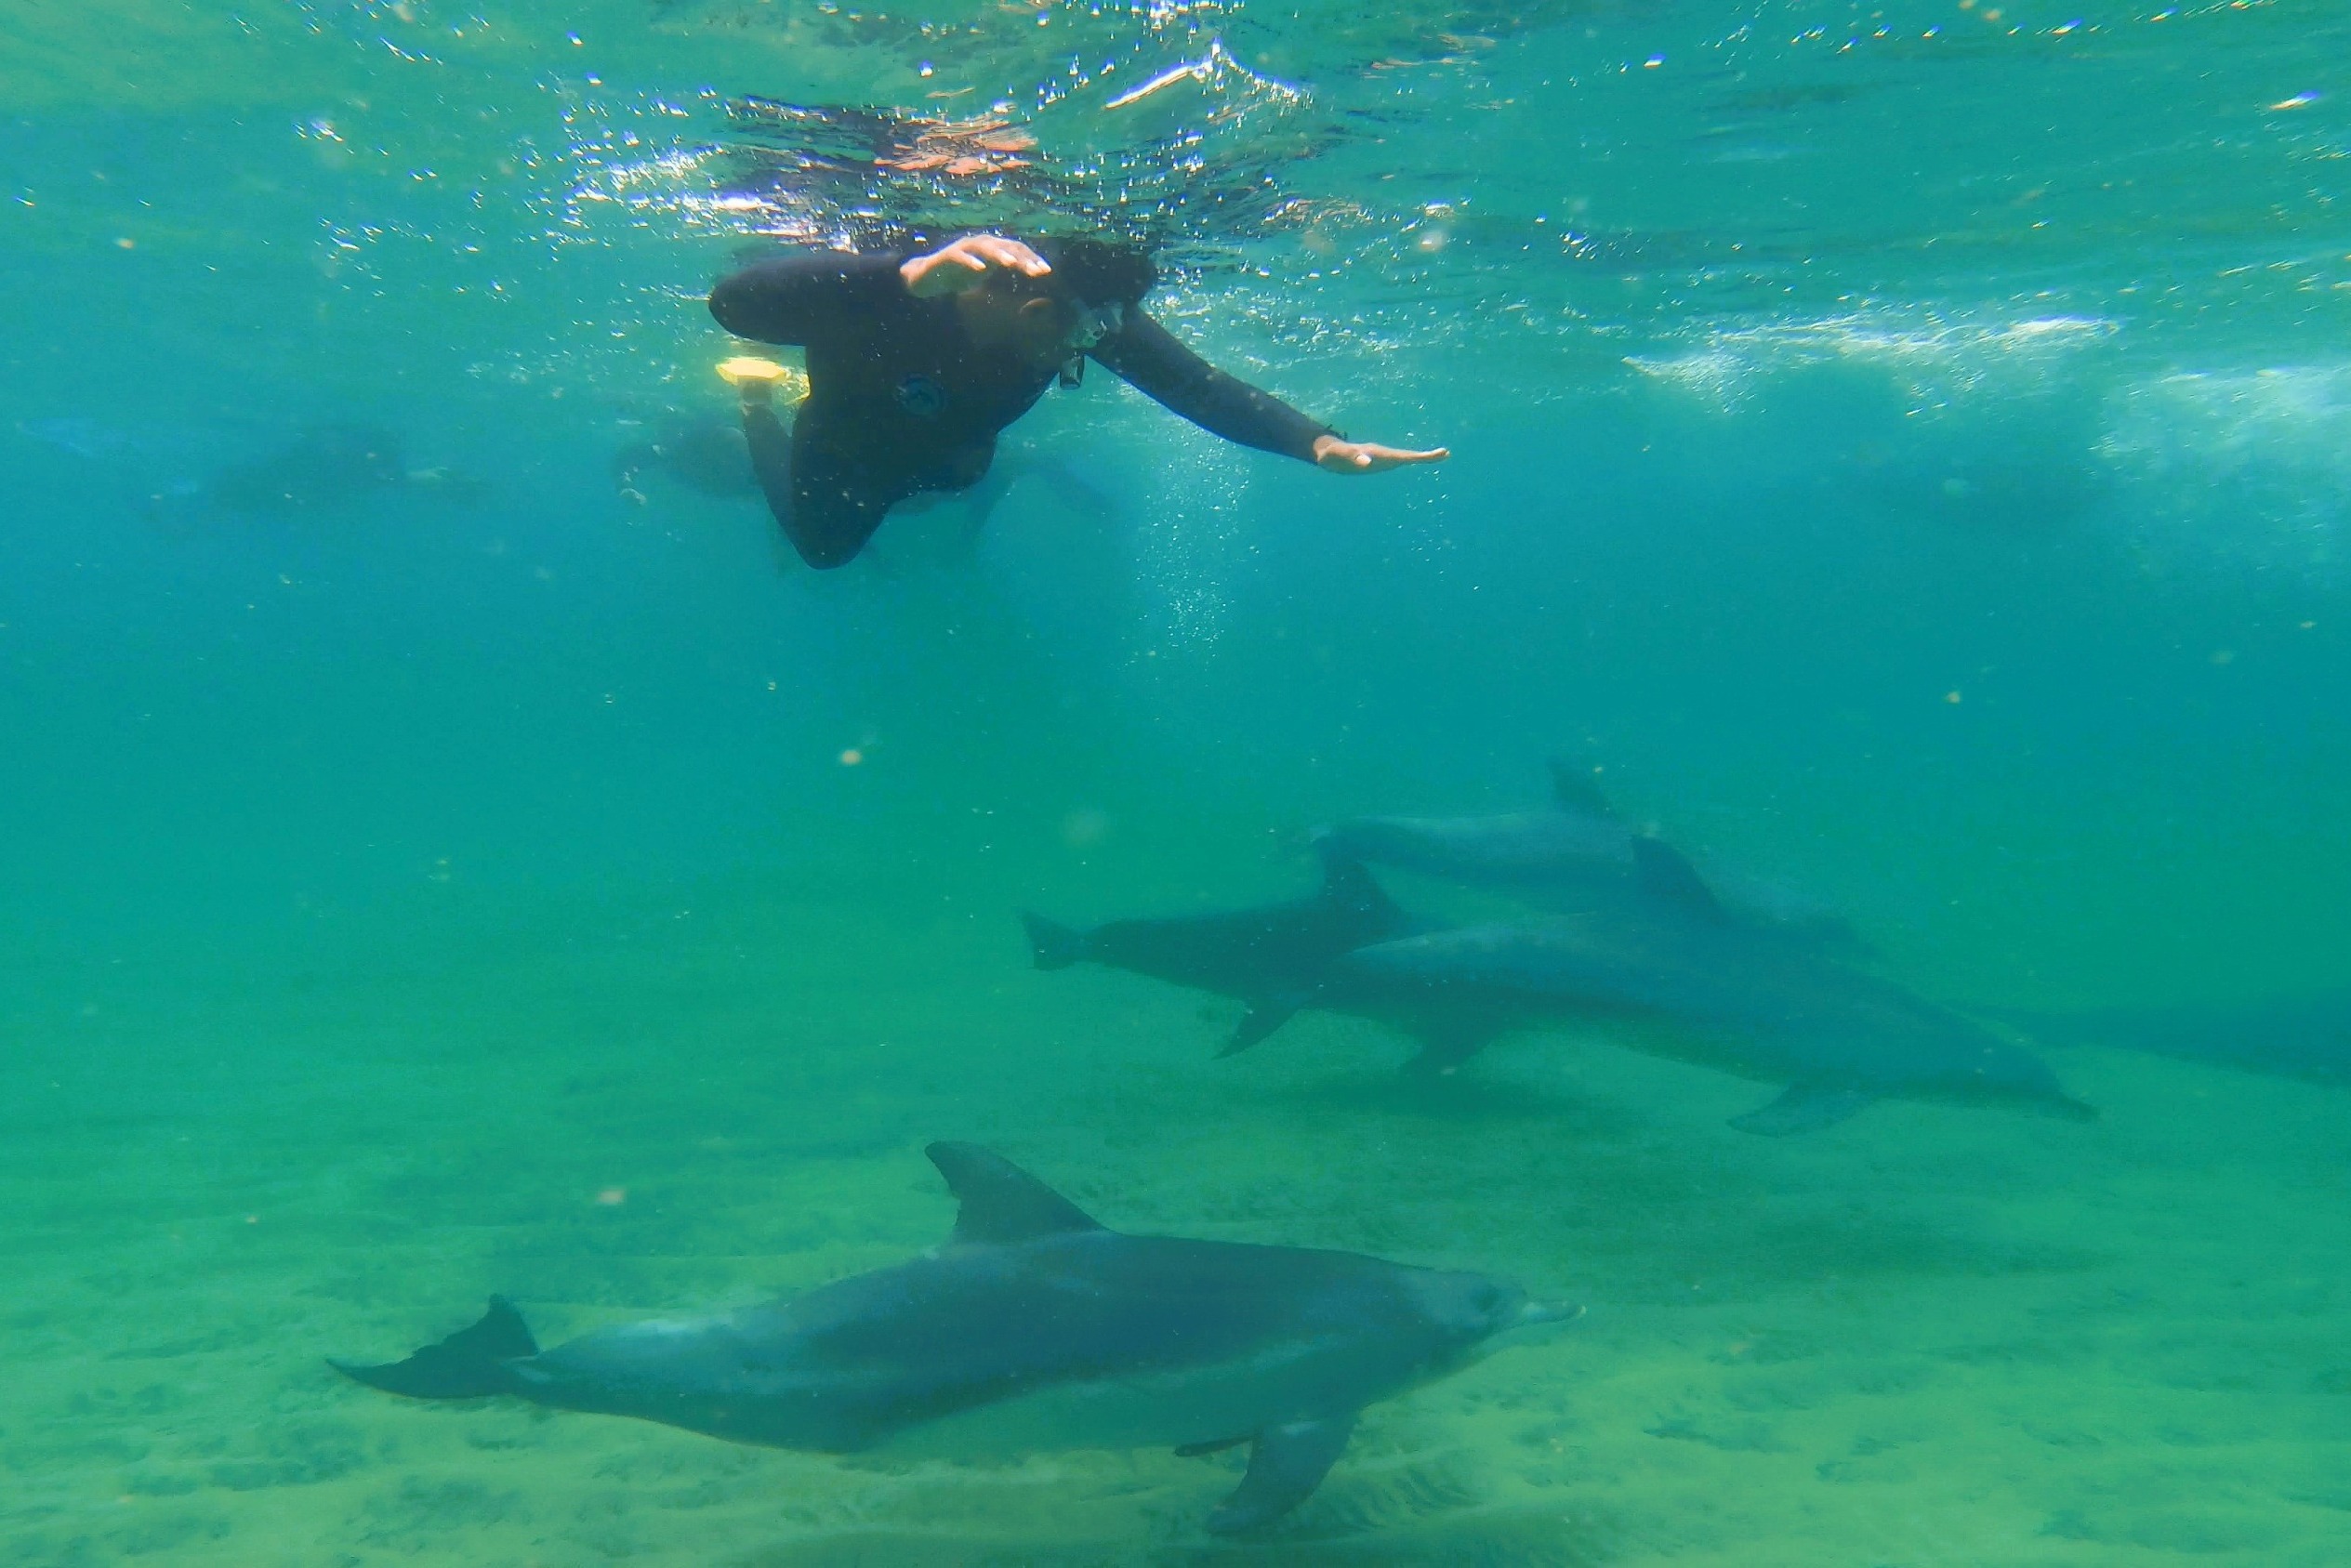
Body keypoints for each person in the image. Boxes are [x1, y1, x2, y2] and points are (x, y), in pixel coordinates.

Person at [706, 233, 1446, 569]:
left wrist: (1315, 443)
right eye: (1083, 337)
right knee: (825, 550)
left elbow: (1194, 385)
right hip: (848, 444)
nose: (1090, 349)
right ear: (1033, 313)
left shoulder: (1080, 315)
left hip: (952, 456)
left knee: (947, 483)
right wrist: (901, 275)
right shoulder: (904, 290)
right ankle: (755, 406)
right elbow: (733, 306)